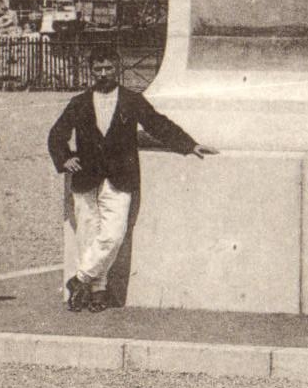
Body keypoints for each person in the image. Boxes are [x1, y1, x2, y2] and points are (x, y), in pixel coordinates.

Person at [47, 50, 215, 312]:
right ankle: (97, 291)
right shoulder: (78, 102)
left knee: (113, 235)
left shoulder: (131, 100)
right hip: (86, 177)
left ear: (118, 69)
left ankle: (78, 279)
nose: (103, 74)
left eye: (109, 68)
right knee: (88, 235)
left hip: (120, 178)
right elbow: (56, 134)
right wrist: (64, 158)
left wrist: (189, 144)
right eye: (98, 69)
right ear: (91, 70)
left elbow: (157, 124)